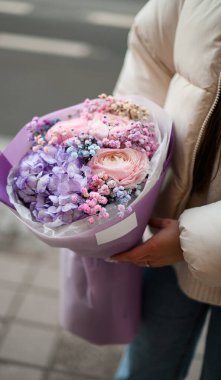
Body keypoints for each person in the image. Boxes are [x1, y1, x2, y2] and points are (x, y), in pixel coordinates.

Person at [112, 0, 221, 379]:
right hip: (165, 232)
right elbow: (150, 50)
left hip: (186, 238)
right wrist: (124, 155)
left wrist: (195, 239)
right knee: (145, 366)